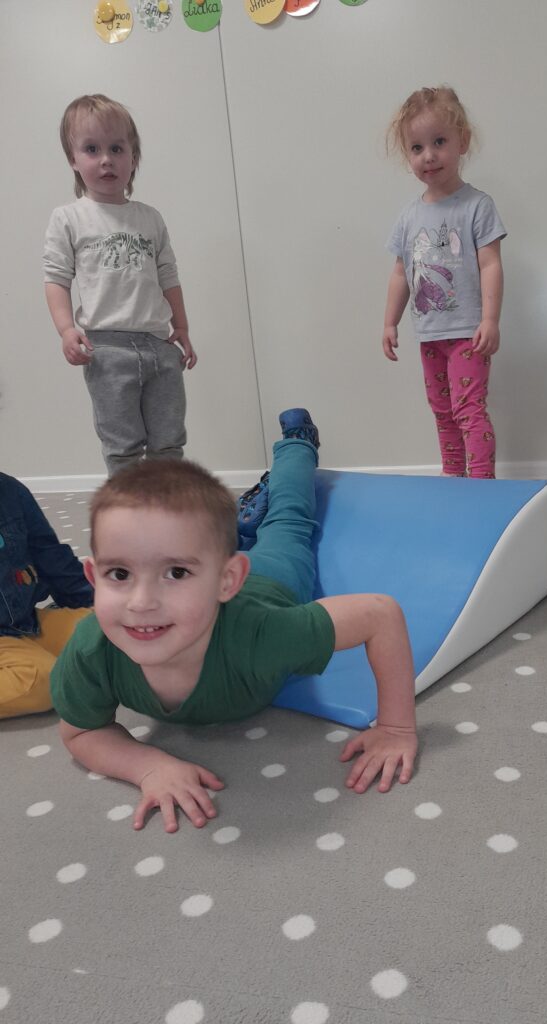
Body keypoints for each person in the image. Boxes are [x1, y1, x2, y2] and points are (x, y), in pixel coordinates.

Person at [51, 410, 418, 833]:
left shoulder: (265, 635)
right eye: (119, 574)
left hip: (271, 577)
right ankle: (237, 525)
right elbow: (81, 733)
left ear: (228, 580)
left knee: (290, 519)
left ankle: (296, 445)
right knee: (221, 539)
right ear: (93, 576)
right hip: (219, 568)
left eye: (175, 573)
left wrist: (395, 727)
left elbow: (380, 613)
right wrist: (148, 766)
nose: (142, 602)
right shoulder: (92, 649)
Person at [43, 94, 196, 476]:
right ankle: (128, 507)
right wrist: (66, 329)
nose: (106, 159)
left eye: (116, 148)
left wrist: (182, 326)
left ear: (133, 157)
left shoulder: (150, 218)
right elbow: (56, 278)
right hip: (107, 350)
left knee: (169, 441)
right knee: (122, 445)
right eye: (91, 149)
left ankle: (166, 503)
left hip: (159, 344)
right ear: (73, 159)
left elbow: (168, 275)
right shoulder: (69, 218)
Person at [382, 86, 506, 479]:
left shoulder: (477, 206)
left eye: (439, 142)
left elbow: (491, 264)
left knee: (469, 409)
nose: (429, 156)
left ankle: (481, 483)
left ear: (462, 141)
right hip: (430, 333)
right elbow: (401, 272)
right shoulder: (409, 217)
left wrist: (490, 320)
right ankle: (453, 476)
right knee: (442, 410)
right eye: (417, 148)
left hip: (468, 332)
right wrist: (389, 322)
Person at [0, 473, 92, 719]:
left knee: (106, 630)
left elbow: (53, 559)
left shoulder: (10, 490)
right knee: (39, 680)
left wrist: (100, 605)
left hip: (26, 623)